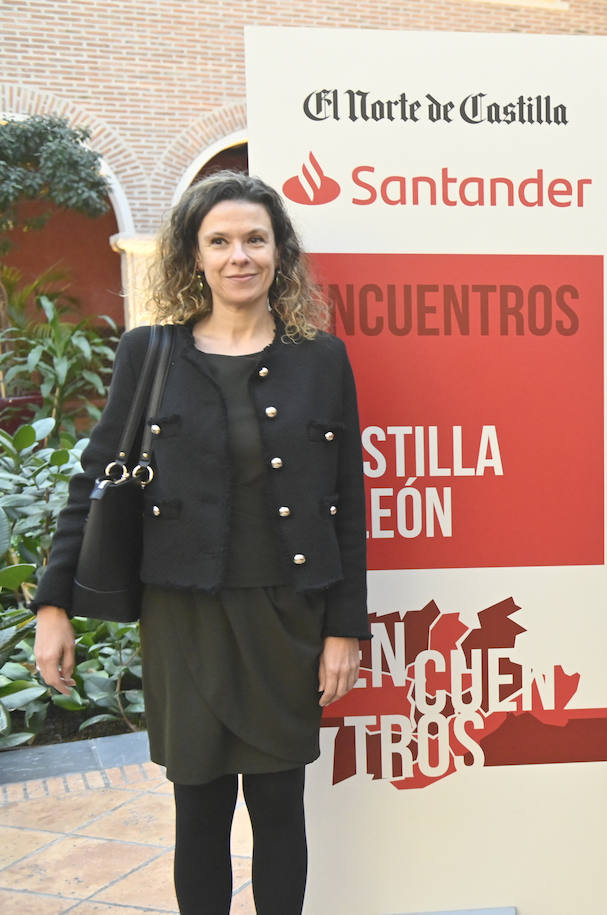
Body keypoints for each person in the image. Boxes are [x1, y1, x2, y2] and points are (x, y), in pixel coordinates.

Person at [32, 171, 368, 915]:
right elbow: (96, 481)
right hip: (183, 620)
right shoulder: (149, 353)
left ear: (281, 252)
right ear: (193, 255)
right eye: (219, 241)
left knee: (281, 806)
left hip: (288, 618)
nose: (238, 255)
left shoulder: (322, 359)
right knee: (201, 812)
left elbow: (347, 502)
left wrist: (344, 626)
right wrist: (53, 604)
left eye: (255, 238)